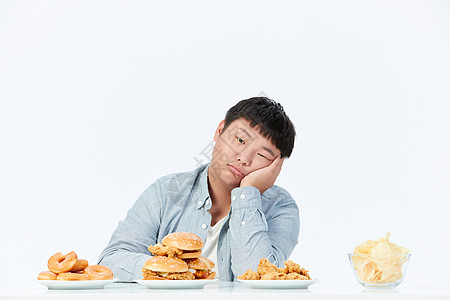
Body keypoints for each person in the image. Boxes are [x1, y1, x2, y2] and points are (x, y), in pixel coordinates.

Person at [98, 97, 299, 281]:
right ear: (220, 130)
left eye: (262, 155)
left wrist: (247, 193)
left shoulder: (280, 208)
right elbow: (111, 261)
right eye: (240, 140)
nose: (244, 158)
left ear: (276, 165)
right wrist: (172, 269)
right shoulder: (166, 192)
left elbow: (255, 279)